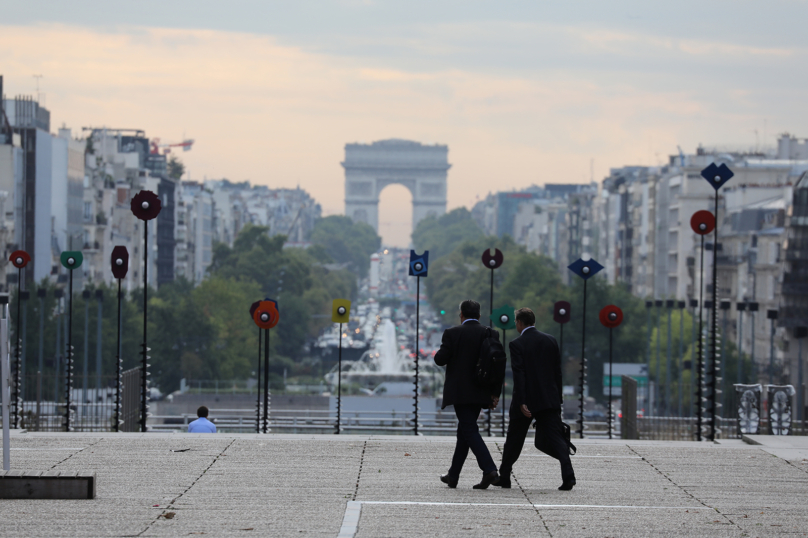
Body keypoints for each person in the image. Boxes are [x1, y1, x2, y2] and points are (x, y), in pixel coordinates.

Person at [496, 307, 575, 491]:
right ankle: (568, 475)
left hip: (527, 400)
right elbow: (557, 372)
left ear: (520, 323)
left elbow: (520, 375)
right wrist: (558, 399)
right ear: (533, 322)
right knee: (556, 438)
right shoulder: (550, 340)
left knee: (514, 439)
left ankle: (505, 476)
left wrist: (522, 401)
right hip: (549, 399)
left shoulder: (517, 344)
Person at [434, 299, 501, 489]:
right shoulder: (491, 333)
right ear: (479, 316)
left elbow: (440, 360)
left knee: (469, 430)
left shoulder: (452, 333)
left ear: (461, 314)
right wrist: (495, 393)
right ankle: (453, 475)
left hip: (460, 392)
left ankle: (489, 469)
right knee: (464, 431)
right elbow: (498, 365)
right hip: (482, 391)